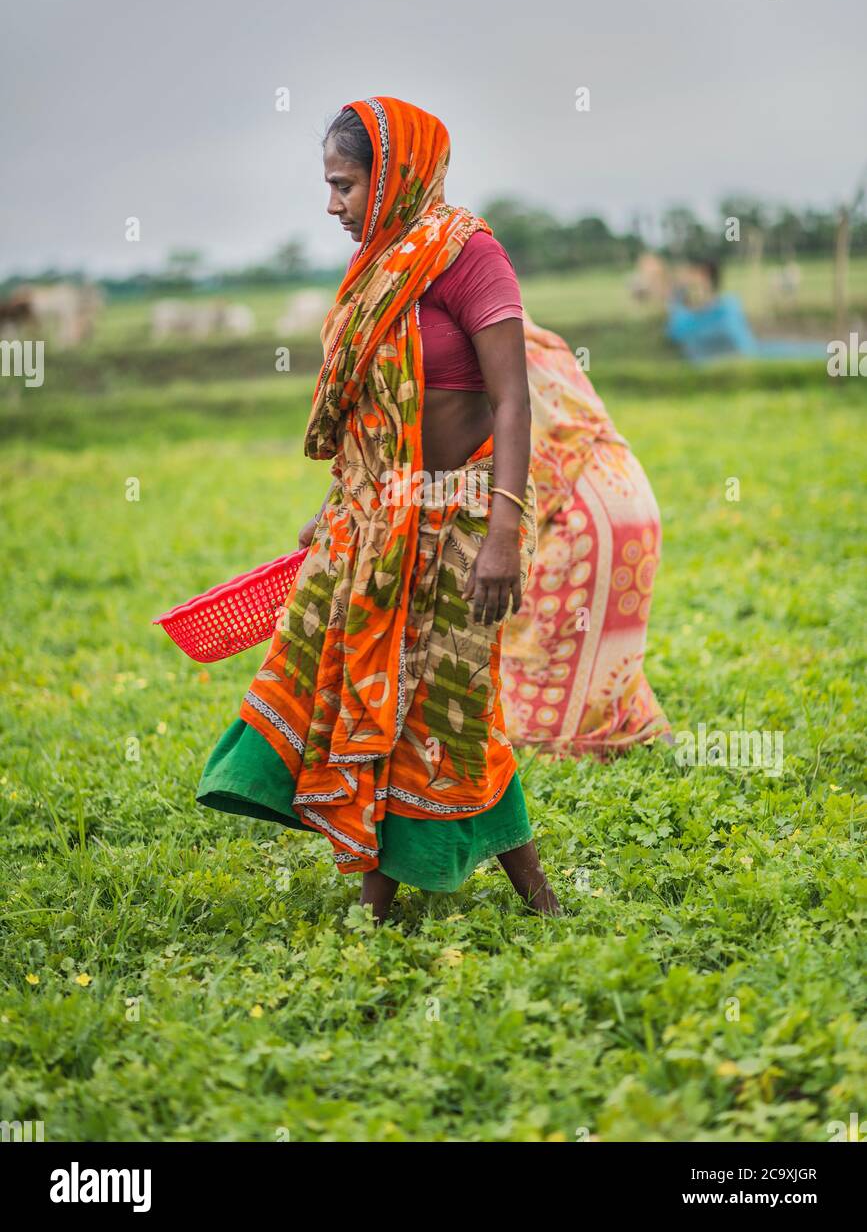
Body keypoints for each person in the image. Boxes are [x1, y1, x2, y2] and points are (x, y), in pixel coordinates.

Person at [196, 95, 560, 922]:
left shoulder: (467, 256)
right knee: (381, 694)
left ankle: (391, 910)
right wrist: (338, 506)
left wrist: (503, 534)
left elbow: (512, 402)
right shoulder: (376, 267)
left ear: (393, 175)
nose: (333, 205)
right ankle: (502, 899)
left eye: (345, 185)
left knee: (446, 704)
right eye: (329, 186)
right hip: (377, 518)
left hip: (467, 515)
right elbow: (372, 414)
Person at [501, 317, 671, 756]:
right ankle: (633, 735)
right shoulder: (532, 335)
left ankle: (572, 746)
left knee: (528, 663)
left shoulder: (473, 341)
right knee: (603, 657)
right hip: (629, 493)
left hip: (579, 512)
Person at [666, 259, 827, 363]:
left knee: (805, 352)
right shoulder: (689, 313)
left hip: (747, 355)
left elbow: (734, 340)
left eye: (691, 274)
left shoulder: (726, 307)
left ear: (704, 276)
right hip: (742, 356)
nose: (686, 280)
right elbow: (677, 333)